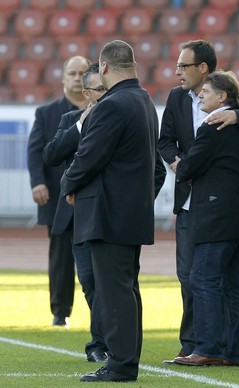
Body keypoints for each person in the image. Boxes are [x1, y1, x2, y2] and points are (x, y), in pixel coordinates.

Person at [157, 39, 239, 365]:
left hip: (214, 209)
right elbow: (165, 140)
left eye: (184, 65)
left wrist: (237, 116)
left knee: (204, 277)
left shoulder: (226, 112)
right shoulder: (177, 98)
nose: (178, 71)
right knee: (219, 280)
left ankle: (207, 348)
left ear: (204, 70)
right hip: (228, 208)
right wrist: (176, 162)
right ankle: (229, 351)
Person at [61, 40, 166, 382]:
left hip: (107, 213)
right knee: (126, 288)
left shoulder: (112, 104)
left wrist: (69, 185)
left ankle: (121, 365)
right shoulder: (144, 101)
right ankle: (126, 360)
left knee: (114, 290)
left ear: (104, 68)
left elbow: (88, 155)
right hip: (129, 213)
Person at [171, 71, 239, 367]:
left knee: (203, 277)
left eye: (206, 92)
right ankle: (238, 353)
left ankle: (209, 347)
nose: (200, 96)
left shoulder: (212, 126)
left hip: (217, 216)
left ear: (223, 97)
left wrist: (184, 166)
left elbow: (188, 169)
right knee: (236, 284)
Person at [42, 63, 108, 363]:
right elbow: (52, 154)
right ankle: (102, 340)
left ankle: (105, 343)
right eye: (100, 89)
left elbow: (154, 171)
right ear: (87, 93)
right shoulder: (70, 120)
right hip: (76, 216)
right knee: (90, 282)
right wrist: (80, 126)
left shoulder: (123, 120)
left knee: (113, 283)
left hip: (111, 215)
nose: (106, 94)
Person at [27, 55, 90, 327]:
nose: (77, 78)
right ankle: (60, 312)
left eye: (82, 73)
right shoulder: (46, 113)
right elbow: (36, 151)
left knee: (94, 255)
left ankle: (98, 315)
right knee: (61, 255)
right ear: (63, 77)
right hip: (56, 194)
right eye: (72, 73)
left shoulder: (102, 110)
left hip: (90, 195)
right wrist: (37, 182)